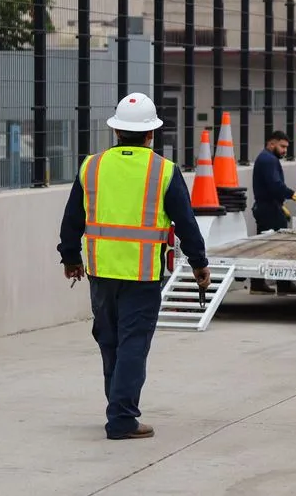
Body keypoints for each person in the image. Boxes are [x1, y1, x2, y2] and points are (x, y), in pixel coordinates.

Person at [57, 92, 211, 441]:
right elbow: (186, 223)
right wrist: (199, 263)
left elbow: (72, 218)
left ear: (116, 131)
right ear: (151, 133)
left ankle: (117, 408)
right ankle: (122, 418)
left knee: (109, 342)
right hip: (142, 275)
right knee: (133, 344)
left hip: (100, 272)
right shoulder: (164, 170)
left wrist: (70, 258)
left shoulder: (91, 166)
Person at [249, 130, 296, 296]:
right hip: (269, 209)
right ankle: (284, 285)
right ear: (271, 144)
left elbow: (269, 187)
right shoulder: (269, 160)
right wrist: (294, 195)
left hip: (267, 207)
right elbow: (275, 185)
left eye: (286, 147)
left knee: (263, 246)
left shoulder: (265, 158)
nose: (285, 150)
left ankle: (257, 284)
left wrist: (280, 204)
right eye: (282, 146)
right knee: (282, 246)